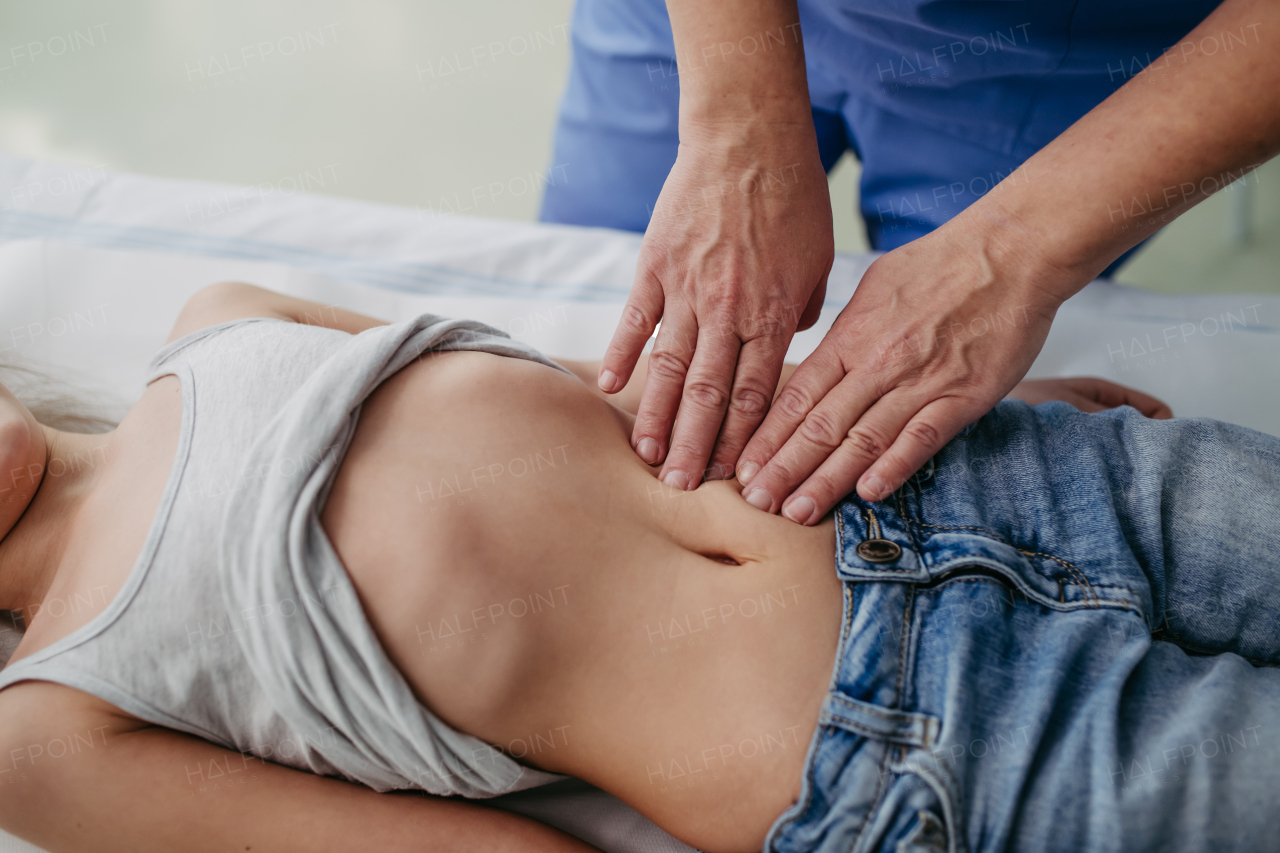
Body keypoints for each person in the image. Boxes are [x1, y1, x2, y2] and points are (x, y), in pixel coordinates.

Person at [0, 282, 1275, 853]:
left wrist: (917, 401)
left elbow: (634, 396)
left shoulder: (219, 321)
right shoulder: (47, 728)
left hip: (981, 473)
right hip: (914, 744)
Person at [541, 0, 1280, 529]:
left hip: (1044, 45)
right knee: (631, 307)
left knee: (929, 388)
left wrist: (1007, 255)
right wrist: (737, 125)